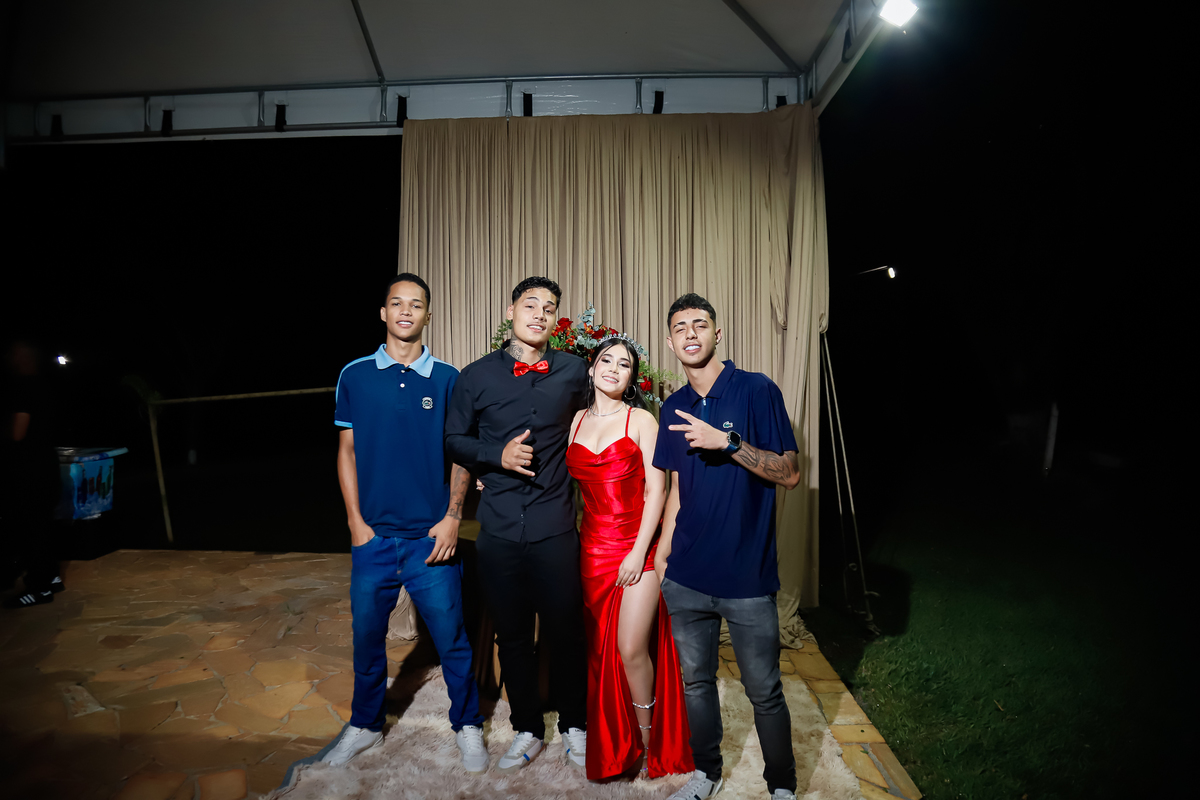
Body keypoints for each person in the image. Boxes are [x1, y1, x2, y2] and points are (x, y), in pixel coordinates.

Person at [327, 273, 486, 771]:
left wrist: (453, 518)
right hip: (373, 538)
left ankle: (468, 725)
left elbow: (461, 454)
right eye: (397, 303)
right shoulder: (354, 375)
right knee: (367, 641)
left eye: (415, 304)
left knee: (452, 640)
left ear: (427, 316)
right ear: (383, 312)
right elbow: (347, 452)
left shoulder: (448, 378)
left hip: (429, 540)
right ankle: (365, 725)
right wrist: (355, 522)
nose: (405, 311)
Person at [654, 294, 802, 800]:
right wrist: (664, 556)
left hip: (746, 578)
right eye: (680, 328)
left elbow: (790, 473)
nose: (690, 334)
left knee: (764, 691)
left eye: (700, 325)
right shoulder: (672, 406)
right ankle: (707, 774)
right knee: (696, 684)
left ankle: (781, 786)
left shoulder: (757, 390)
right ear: (670, 342)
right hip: (686, 576)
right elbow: (676, 489)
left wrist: (729, 443)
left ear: (717, 334)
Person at [445, 277, 590, 773]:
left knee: (566, 633)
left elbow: (598, 422)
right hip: (500, 529)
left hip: (556, 526)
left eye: (550, 307)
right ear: (511, 311)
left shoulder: (575, 371)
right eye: (531, 305)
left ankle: (575, 725)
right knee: (511, 636)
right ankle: (527, 728)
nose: (540, 314)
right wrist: (495, 456)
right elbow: (453, 440)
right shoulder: (475, 376)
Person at [565, 335, 694, 781]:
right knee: (601, 652)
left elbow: (658, 490)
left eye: (624, 364)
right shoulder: (576, 420)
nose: (614, 369)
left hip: (637, 546)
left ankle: (648, 739)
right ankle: (614, 738)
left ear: (633, 378)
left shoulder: (641, 420)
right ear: (591, 368)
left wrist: (640, 553)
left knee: (631, 647)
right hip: (591, 550)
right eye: (607, 360)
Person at [1, 337, 64, 608]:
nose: (9, 359)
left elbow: (18, 432)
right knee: (45, 526)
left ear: (23, 357)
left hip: (30, 472)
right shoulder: (45, 386)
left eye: (14, 354)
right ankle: (52, 577)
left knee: (32, 528)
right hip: (48, 466)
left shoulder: (23, 388)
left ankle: (39, 588)